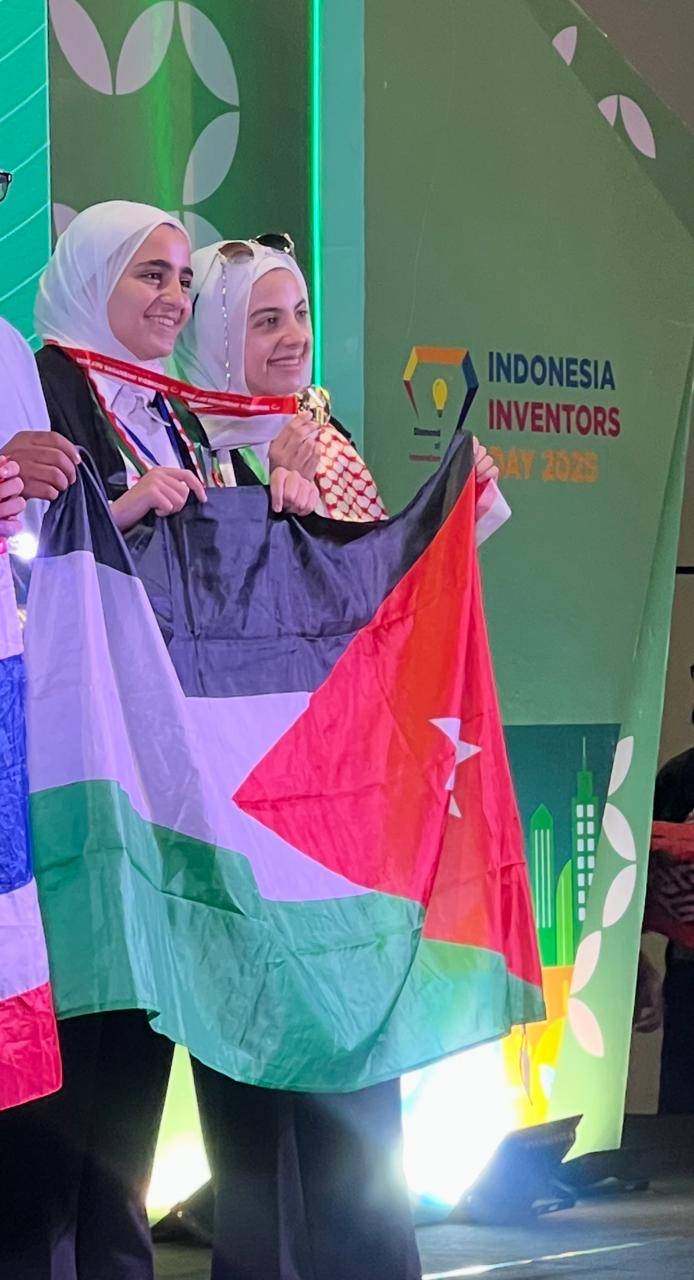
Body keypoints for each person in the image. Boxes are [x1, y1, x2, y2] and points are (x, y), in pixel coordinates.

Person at [0, 200, 317, 1280]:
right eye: (150, 275)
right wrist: (125, 508)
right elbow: (34, 562)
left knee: (133, 1060)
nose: (173, 298)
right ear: (92, 278)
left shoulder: (174, 409)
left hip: (164, 774)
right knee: (70, 1071)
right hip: (75, 770)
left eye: (183, 278)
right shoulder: (43, 377)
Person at [174, 235, 501, 1280]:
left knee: (359, 1123)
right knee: (255, 1134)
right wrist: (257, 502)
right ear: (215, 333)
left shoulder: (329, 441)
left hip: (343, 837)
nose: (291, 338)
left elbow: (373, 610)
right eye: (263, 320)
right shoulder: (183, 450)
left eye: (300, 315)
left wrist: (453, 523)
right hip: (240, 839)